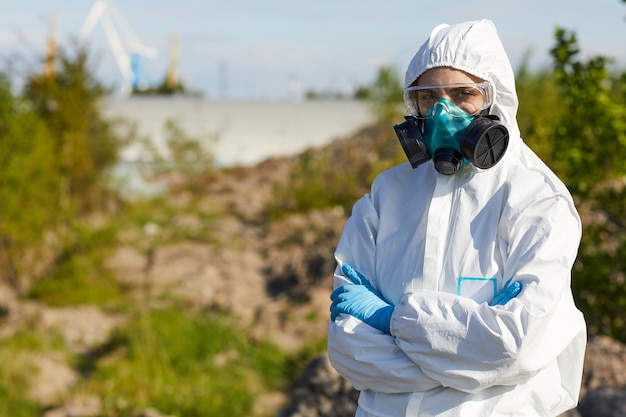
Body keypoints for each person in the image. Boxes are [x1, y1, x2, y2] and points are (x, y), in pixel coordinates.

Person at [327, 19, 587, 417]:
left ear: (494, 98)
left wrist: (388, 319)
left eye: (464, 94)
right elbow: (348, 351)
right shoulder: (387, 195)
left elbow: (515, 347)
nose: (443, 111)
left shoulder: (535, 198)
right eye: (429, 97)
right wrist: (466, 354)